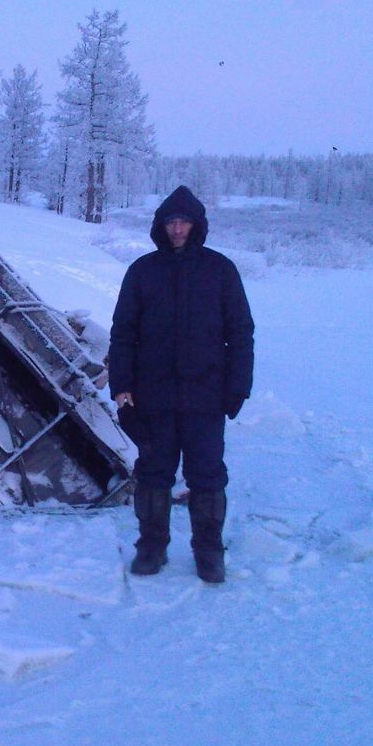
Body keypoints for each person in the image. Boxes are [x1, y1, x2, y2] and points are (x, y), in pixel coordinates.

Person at [108, 185, 254, 583]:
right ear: (160, 226)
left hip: (206, 396)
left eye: (183, 222)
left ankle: (209, 552)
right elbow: (123, 332)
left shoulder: (219, 270)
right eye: (170, 222)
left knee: (207, 475)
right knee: (154, 473)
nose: (176, 229)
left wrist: (238, 387)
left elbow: (240, 332)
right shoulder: (142, 271)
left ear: (196, 225)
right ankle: (151, 548)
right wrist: (121, 385)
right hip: (153, 396)